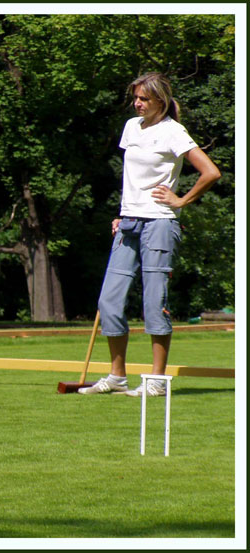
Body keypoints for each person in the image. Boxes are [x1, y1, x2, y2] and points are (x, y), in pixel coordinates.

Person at [79, 72, 221, 397]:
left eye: (143, 98)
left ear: (160, 100)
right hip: (129, 222)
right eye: (135, 98)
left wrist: (181, 200)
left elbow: (211, 172)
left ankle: (156, 381)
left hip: (159, 223)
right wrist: (123, 212)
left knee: (154, 303)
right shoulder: (131, 127)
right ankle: (117, 377)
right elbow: (132, 177)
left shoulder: (173, 132)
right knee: (109, 301)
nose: (137, 103)